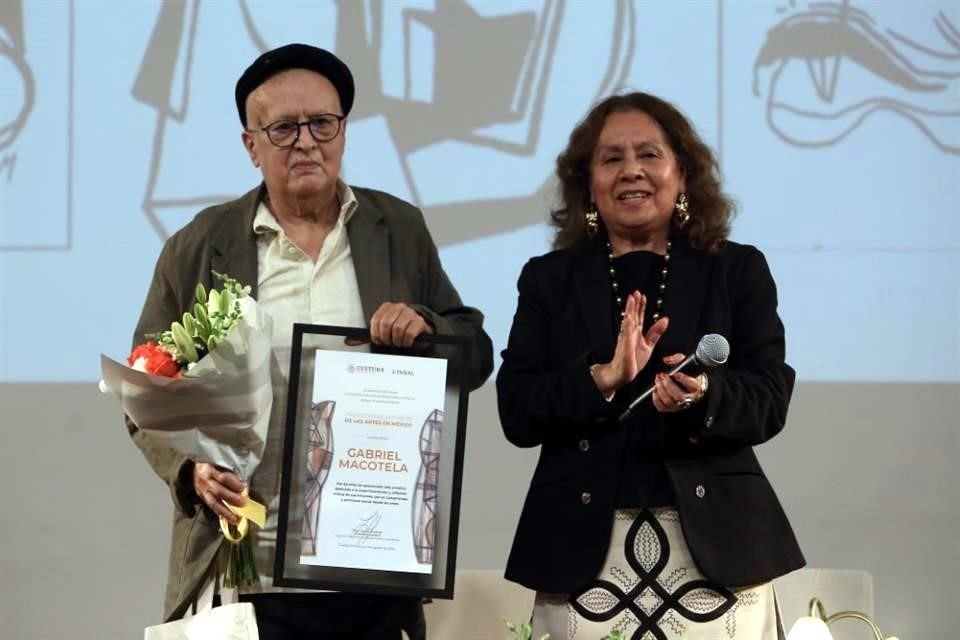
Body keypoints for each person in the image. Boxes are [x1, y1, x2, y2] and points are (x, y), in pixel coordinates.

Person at [127, 43, 494, 639]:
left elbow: (474, 354)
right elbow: (146, 391)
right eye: (282, 128)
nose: (306, 141)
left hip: (373, 569)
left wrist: (427, 329)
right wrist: (192, 469)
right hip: (244, 572)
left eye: (322, 123)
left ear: (344, 132)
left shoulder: (397, 229)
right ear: (251, 145)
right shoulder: (200, 245)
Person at [496, 92, 804, 639]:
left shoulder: (736, 271)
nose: (631, 170)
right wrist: (602, 380)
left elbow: (770, 397)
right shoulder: (549, 279)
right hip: (581, 553)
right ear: (588, 183)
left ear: (683, 174)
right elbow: (517, 410)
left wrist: (703, 396)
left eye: (650, 155)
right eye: (611, 158)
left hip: (719, 552)